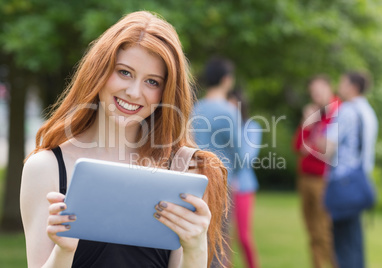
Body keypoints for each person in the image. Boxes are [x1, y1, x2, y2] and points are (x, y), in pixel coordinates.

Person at [20, 11, 229, 268]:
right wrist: (64, 251)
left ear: (166, 93)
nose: (133, 92)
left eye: (152, 82)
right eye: (125, 72)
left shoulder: (185, 168)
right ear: (99, 70)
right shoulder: (46, 168)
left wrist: (196, 246)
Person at [324, 72, 378, 268]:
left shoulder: (346, 111)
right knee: (355, 240)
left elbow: (328, 147)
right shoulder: (368, 111)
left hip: (343, 181)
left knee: (342, 241)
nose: (339, 86)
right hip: (361, 180)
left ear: (353, 86)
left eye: (342, 82)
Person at [192, 57, 241, 267]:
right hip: (221, 181)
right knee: (220, 239)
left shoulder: (195, 108)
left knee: (199, 235)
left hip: (195, 179)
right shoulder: (229, 110)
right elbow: (240, 151)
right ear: (226, 80)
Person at [293, 75, 340, 268]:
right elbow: (297, 147)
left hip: (324, 179)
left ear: (329, 87)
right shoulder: (314, 115)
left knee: (324, 231)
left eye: (319, 90)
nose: (315, 95)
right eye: (312, 92)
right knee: (312, 231)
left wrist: (312, 146)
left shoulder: (338, 112)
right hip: (305, 178)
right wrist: (306, 124)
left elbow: (326, 150)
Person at [227, 89, 261, 268]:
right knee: (224, 236)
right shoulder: (222, 126)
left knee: (243, 235)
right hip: (223, 186)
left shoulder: (252, 126)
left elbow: (248, 156)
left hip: (244, 187)